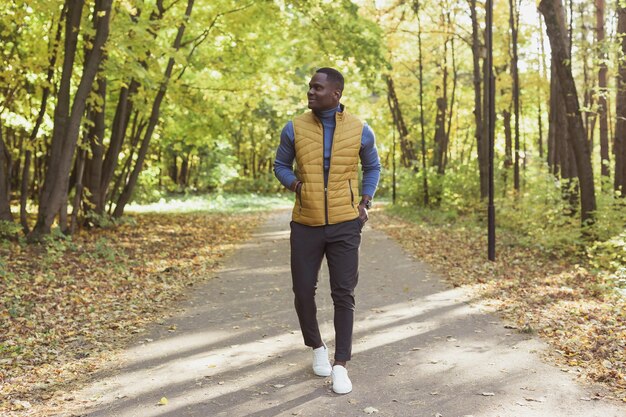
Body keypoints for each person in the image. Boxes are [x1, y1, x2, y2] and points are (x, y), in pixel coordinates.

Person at [273, 67, 381, 394]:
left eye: (317, 88)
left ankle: (341, 365)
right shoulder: (293, 128)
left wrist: (366, 200)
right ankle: (317, 346)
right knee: (303, 290)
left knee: (343, 294)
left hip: (346, 224)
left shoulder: (361, 130)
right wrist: (295, 185)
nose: (311, 92)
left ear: (336, 94)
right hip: (306, 223)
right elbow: (280, 165)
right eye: (310, 87)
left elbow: (372, 166)